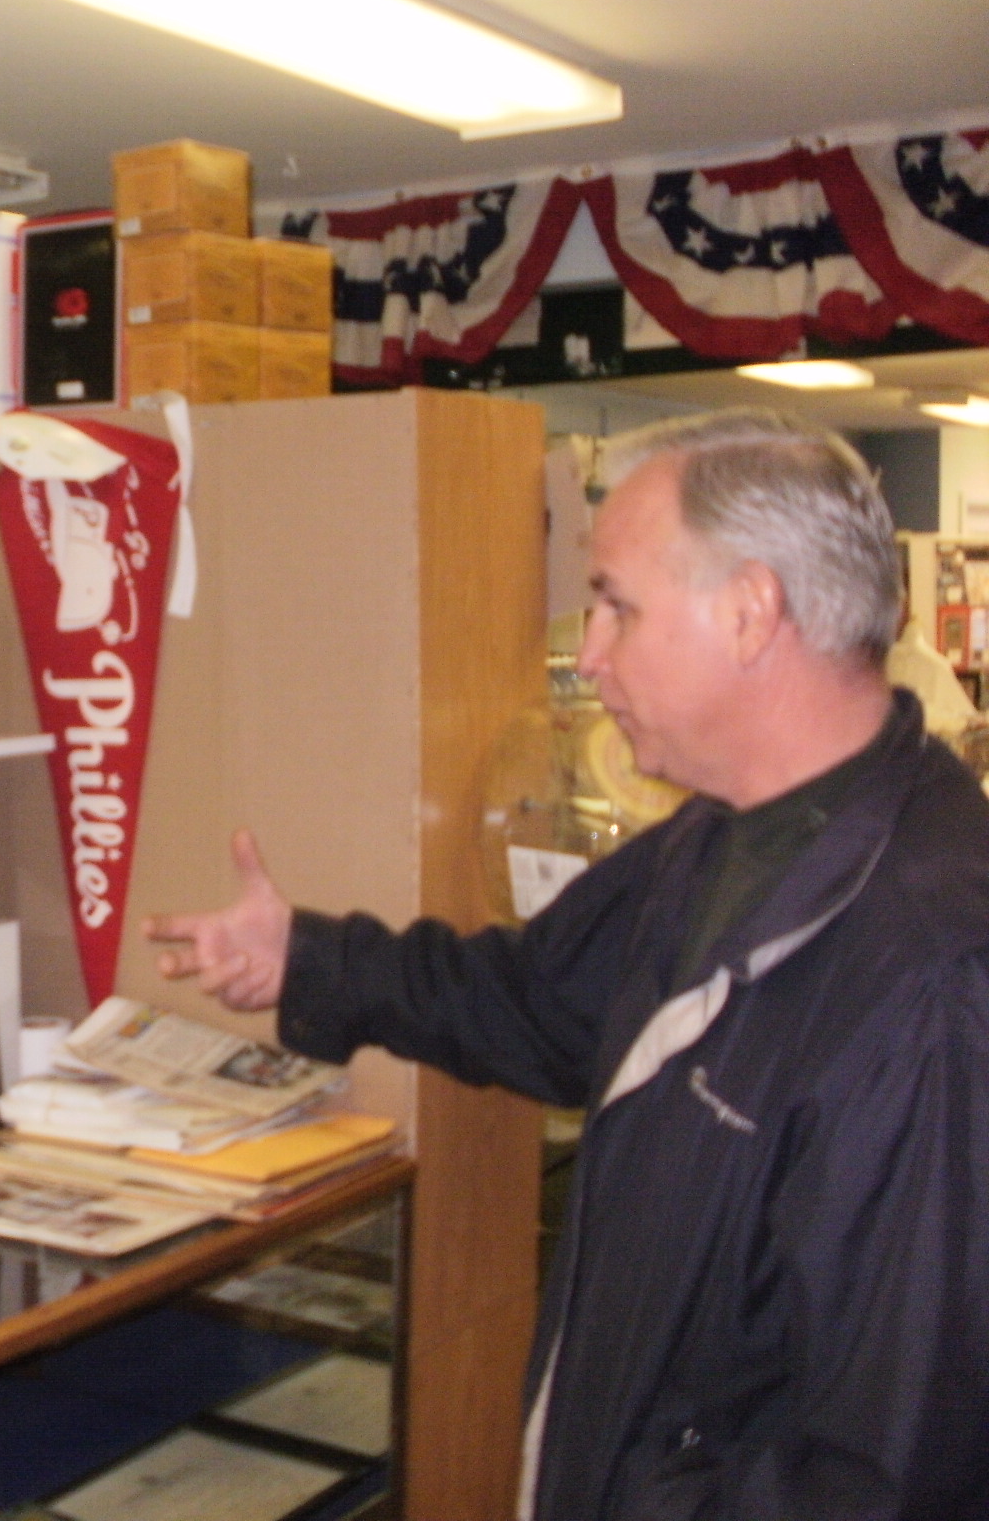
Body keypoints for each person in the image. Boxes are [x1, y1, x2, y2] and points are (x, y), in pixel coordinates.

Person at [146, 407, 989, 1519]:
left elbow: (893, 1469)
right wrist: (305, 959)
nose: (588, 655)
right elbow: (536, 999)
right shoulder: (719, 839)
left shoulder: (929, 976)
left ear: (748, 613)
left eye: (616, 607)